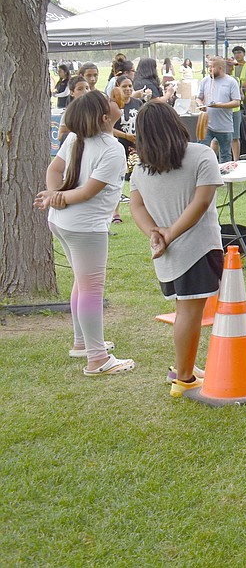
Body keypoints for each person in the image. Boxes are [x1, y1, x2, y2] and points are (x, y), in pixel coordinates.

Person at [127, 101, 224, 397]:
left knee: (187, 310)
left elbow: (136, 205)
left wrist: (155, 234)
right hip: (198, 249)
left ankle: (186, 366)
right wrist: (168, 233)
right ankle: (183, 378)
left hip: (167, 255)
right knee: (189, 313)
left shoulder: (142, 170)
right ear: (175, 123)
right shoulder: (201, 154)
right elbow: (201, 202)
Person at [34, 91, 135, 376]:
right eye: (110, 103)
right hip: (84, 226)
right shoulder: (111, 147)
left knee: (83, 282)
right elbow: (89, 190)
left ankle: (83, 343)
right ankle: (97, 358)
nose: (116, 103)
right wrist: (58, 196)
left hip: (64, 222)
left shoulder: (76, 139)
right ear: (106, 117)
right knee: (91, 288)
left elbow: (56, 171)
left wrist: (55, 196)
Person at [110, 76, 143, 224]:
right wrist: (125, 136)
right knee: (118, 179)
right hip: (119, 144)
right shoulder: (113, 105)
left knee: (140, 177)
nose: (128, 89)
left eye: (130, 86)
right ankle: (115, 212)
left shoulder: (137, 103)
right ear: (117, 87)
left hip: (136, 146)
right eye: (124, 86)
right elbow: (109, 127)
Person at [197, 56, 241, 163]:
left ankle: (226, 177)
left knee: (225, 154)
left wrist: (220, 105)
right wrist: (200, 104)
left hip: (224, 126)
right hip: (207, 123)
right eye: (209, 67)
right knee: (202, 151)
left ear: (221, 68)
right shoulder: (205, 81)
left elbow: (237, 101)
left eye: (212, 67)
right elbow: (199, 97)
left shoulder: (231, 82)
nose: (210, 69)